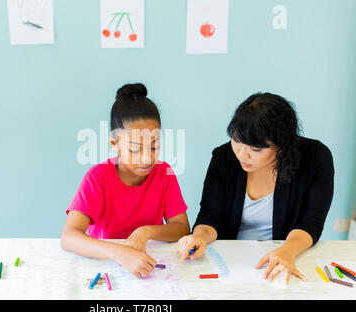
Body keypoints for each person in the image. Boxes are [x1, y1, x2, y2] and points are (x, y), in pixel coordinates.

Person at [178, 92, 334, 284]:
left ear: (281, 146)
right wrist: (200, 236)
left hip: (285, 256)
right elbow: (210, 216)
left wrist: (287, 250)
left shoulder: (315, 158)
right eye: (236, 140)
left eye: (256, 149)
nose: (242, 154)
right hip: (231, 263)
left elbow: (311, 222)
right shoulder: (224, 157)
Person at [62, 83, 190, 278]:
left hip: (150, 266)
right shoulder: (98, 177)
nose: (147, 158)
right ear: (115, 143)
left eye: (154, 146)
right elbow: (69, 237)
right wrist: (119, 252)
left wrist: (145, 232)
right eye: (135, 149)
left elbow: (181, 228)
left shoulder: (164, 173)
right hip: (106, 268)